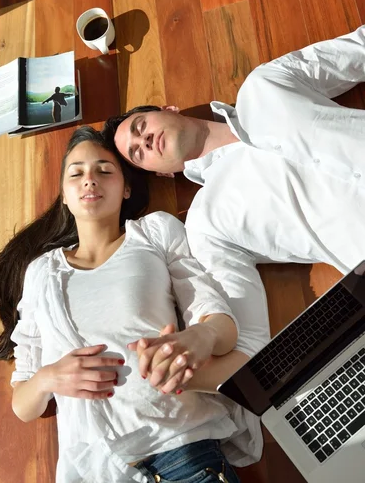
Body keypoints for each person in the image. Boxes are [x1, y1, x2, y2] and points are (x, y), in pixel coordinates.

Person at [0, 125, 261, 483]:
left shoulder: (154, 233)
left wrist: (200, 337)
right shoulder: (41, 273)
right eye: (77, 173)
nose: (90, 180)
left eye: (104, 170)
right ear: (65, 196)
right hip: (96, 470)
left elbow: (221, 327)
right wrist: (47, 379)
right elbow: (23, 404)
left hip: (182, 452)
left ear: (126, 188)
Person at [104, 25, 365, 361]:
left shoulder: (264, 86)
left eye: (141, 128)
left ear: (168, 110)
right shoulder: (208, 223)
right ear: (162, 173)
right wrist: (201, 339)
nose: (144, 141)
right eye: (138, 153)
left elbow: (355, 52)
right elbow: (245, 335)